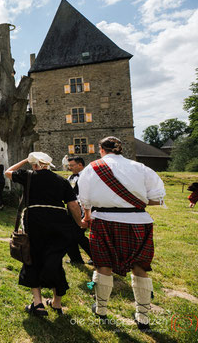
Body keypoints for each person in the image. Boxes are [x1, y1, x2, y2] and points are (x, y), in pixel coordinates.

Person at [78, 136, 166, 330]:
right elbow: (158, 197)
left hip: (104, 221)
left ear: (101, 149)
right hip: (138, 221)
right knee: (140, 266)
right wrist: (135, 202)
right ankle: (143, 316)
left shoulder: (92, 167)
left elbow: (84, 199)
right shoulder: (140, 167)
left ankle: (101, 309)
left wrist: (86, 217)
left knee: (103, 265)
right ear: (120, 149)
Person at [5, 152, 85, 316]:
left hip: (35, 221)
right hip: (59, 222)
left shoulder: (28, 175)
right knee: (55, 260)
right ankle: (56, 302)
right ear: (49, 165)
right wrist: (80, 222)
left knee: (32, 258)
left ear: (34, 165)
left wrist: (24, 160)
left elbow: (8, 172)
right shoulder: (61, 180)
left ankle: (38, 303)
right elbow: (73, 204)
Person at [65, 156, 92, 265]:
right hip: (72, 208)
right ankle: (75, 258)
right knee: (68, 233)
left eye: (72, 165)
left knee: (78, 235)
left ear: (80, 165)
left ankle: (95, 257)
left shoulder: (89, 177)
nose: (70, 168)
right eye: (69, 166)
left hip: (84, 208)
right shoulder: (70, 178)